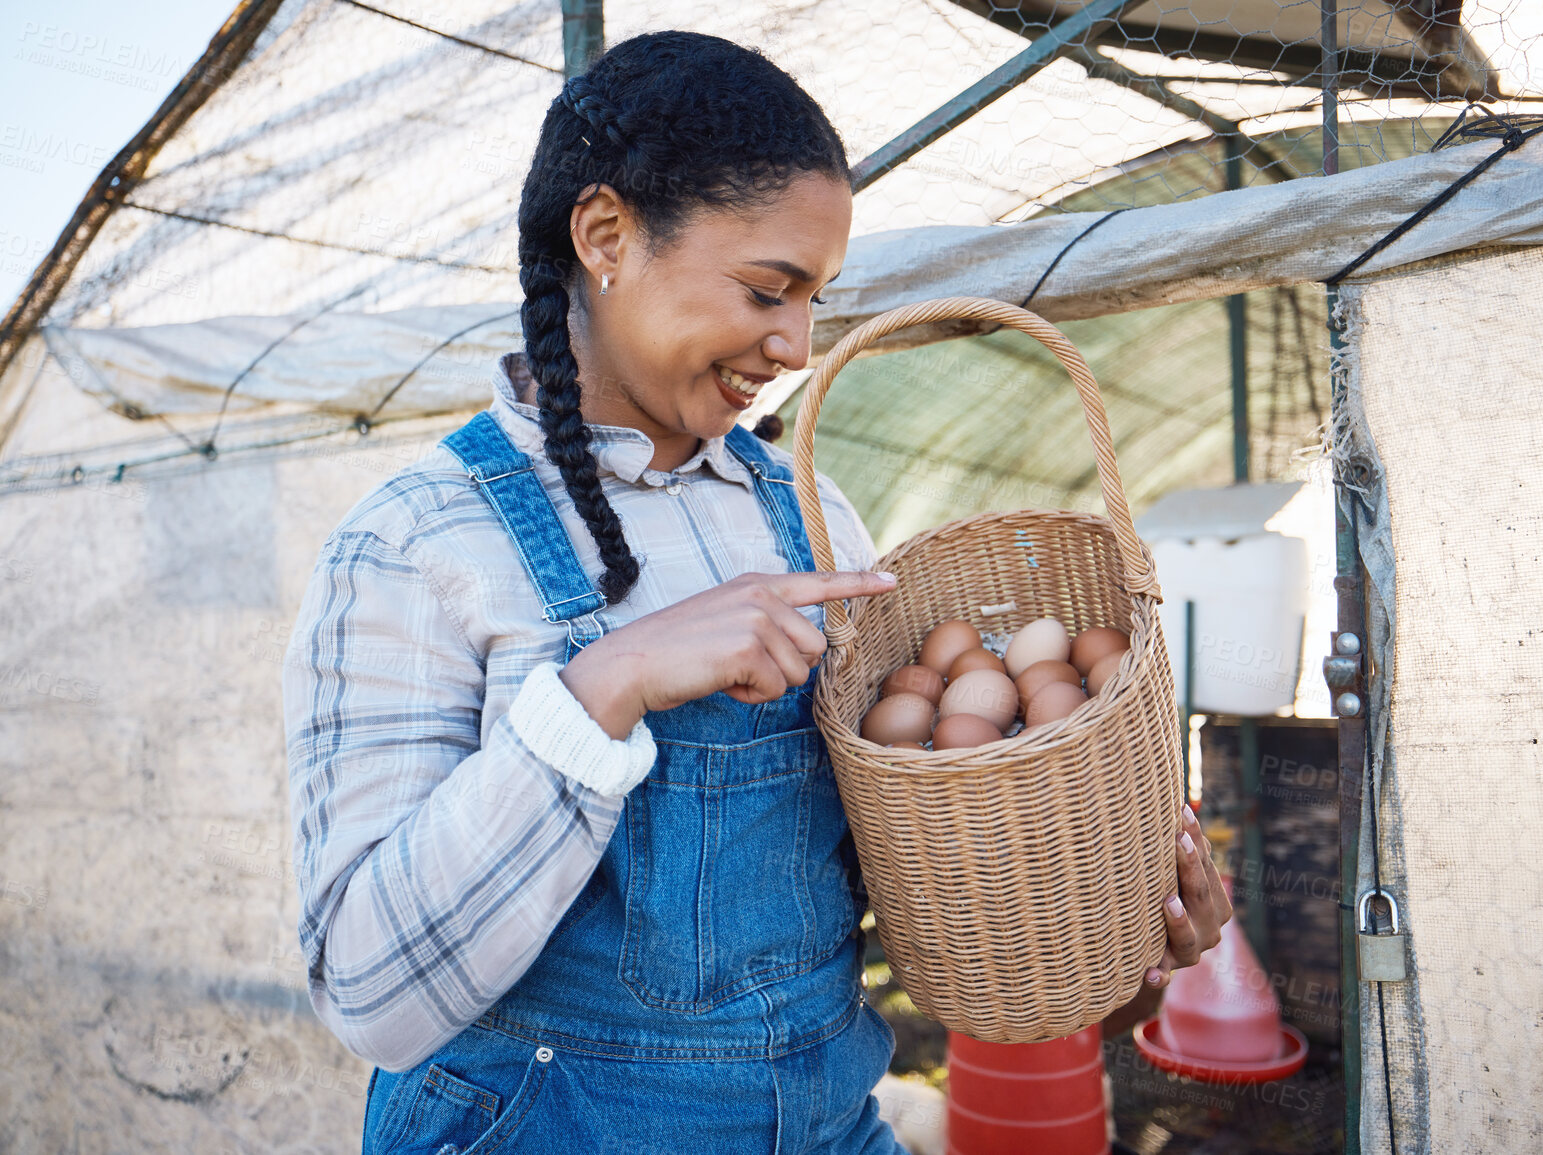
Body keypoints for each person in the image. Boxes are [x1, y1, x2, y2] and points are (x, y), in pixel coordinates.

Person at [282, 29, 1229, 1155]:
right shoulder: (416, 545)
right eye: (768, 289)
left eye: (817, 298)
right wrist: (608, 683)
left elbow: (873, 877)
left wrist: (1101, 915)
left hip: (826, 1119)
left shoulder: (810, 512)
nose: (797, 343)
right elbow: (369, 995)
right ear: (605, 238)